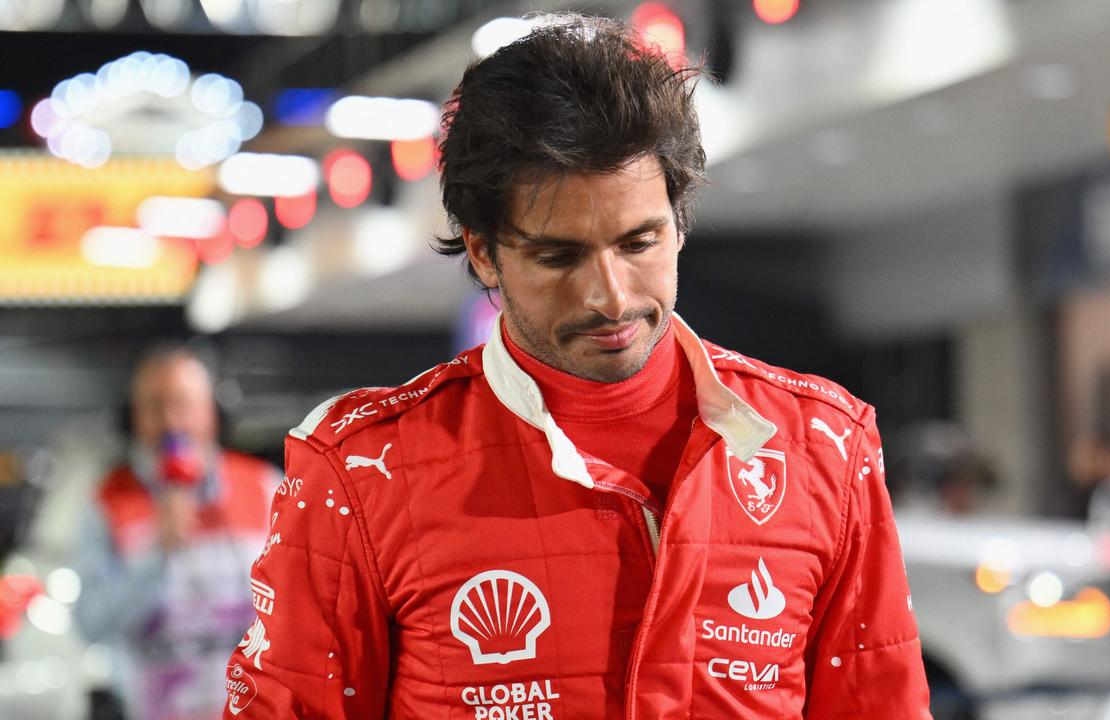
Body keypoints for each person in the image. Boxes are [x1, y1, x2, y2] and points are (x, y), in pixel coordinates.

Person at [225, 13, 929, 719]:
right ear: (481, 250)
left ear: (679, 220)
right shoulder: (361, 470)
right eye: (558, 256)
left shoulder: (824, 446)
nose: (611, 295)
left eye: (639, 242)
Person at [73, 345, 280, 720]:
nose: (170, 423)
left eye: (182, 404)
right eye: (154, 406)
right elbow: (90, 624)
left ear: (214, 413)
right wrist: (156, 556)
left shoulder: (264, 487)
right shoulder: (108, 502)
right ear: (131, 418)